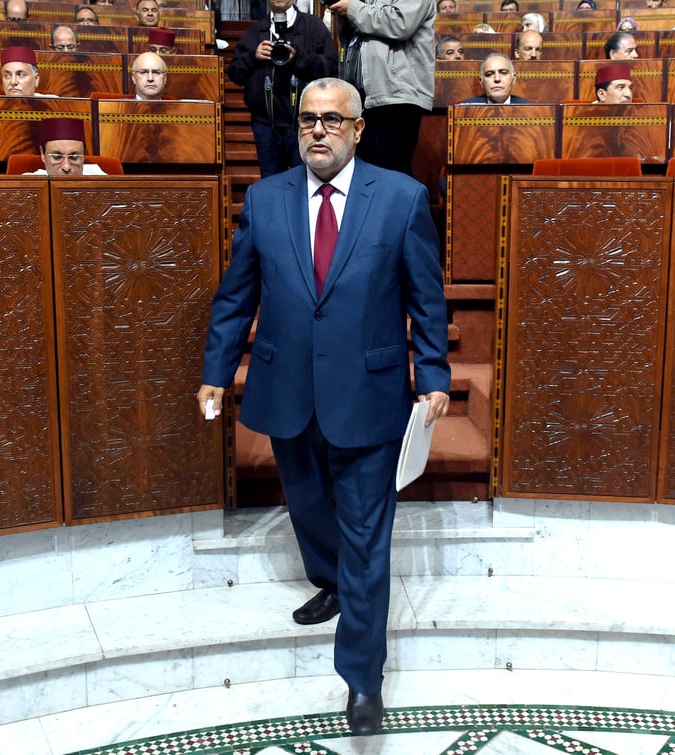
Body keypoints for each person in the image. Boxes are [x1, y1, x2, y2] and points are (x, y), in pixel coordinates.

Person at [197, 77, 450, 739]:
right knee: (308, 505)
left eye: (333, 120)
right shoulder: (264, 198)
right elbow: (235, 297)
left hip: (369, 397)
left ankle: (362, 679)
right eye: (308, 119)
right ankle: (330, 579)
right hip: (286, 391)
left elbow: (426, 298)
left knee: (367, 539)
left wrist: (434, 374)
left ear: (358, 128)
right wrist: (215, 373)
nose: (318, 130)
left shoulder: (400, 198)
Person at [228, 0, 337, 177]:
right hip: (265, 125)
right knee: (271, 186)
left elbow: (330, 68)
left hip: (305, 125)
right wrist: (253, 56)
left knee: (306, 184)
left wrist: (298, 59)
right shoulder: (256, 32)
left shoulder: (313, 27)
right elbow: (234, 74)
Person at [328, 0, 435, 175]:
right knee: (362, 175)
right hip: (360, 99)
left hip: (395, 95)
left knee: (391, 174)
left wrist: (352, 8)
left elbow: (400, 23)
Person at [24, 116, 108, 175]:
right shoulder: (27, 186)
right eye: (57, 157)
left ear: (83, 155)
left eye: (74, 157)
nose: (66, 167)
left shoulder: (103, 185)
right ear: (42, 154)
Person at [460, 53, 529, 104]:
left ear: (513, 79)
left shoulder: (529, 109)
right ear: (481, 82)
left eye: (503, 73)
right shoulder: (466, 108)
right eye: (489, 74)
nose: (497, 79)